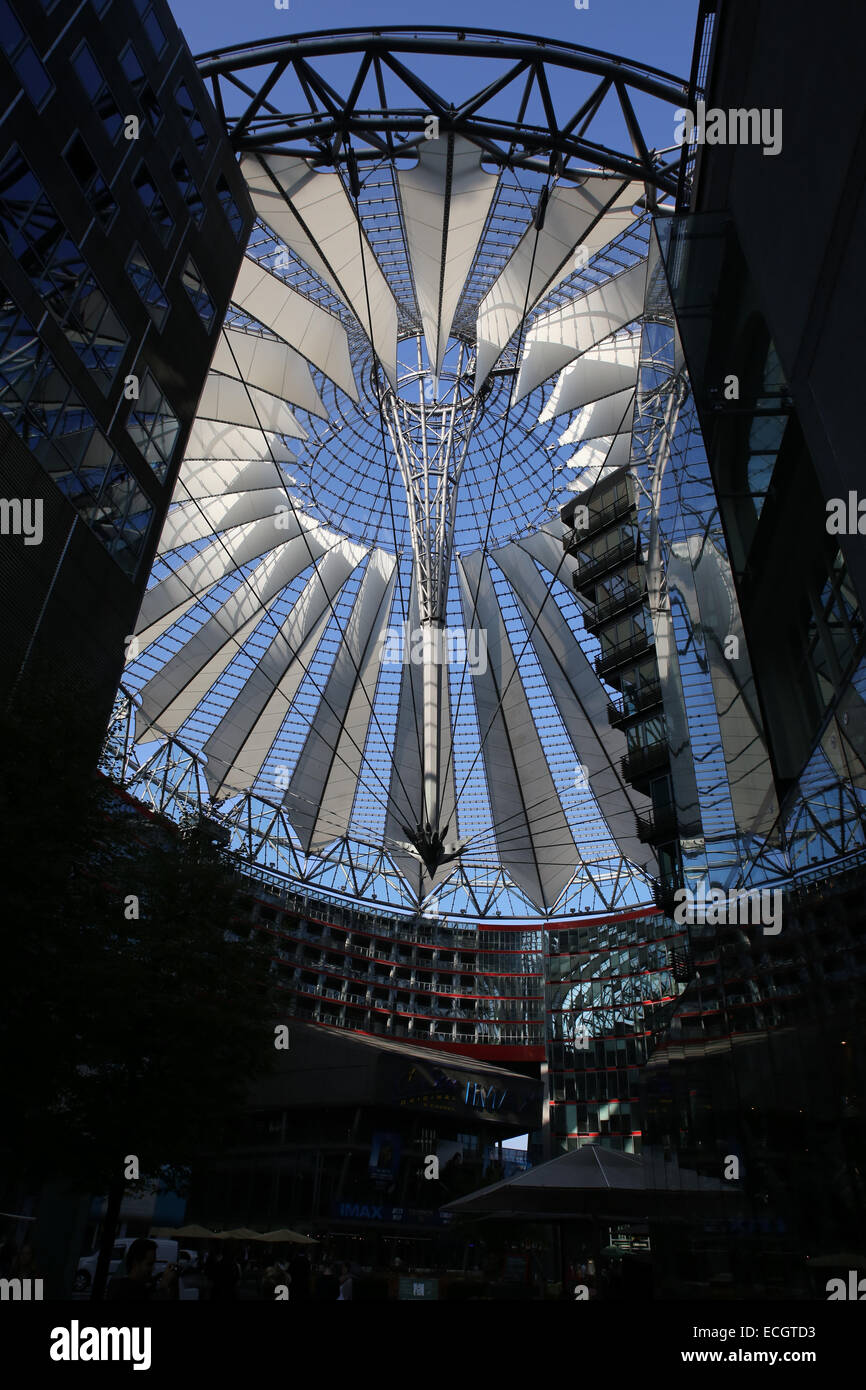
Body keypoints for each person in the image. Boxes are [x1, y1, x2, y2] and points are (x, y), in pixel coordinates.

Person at [106, 1238, 177, 1301]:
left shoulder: (135, 1286)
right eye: (149, 1264)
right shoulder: (125, 1290)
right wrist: (163, 1287)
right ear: (135, 1263)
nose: (153, 1268)